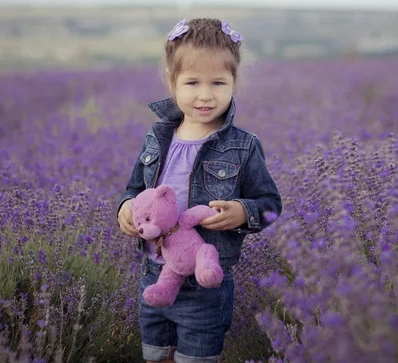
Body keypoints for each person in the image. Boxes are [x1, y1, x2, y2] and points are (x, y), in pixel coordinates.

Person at [116, 18, 282, 363]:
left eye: (218, 83)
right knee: (154, 353)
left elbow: (269, 204)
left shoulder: (243, 146)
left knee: (197, 357)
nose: (205, 95)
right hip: (153, 274)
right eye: (192, 82)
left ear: (234, 83)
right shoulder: (157, 137)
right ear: (170, 80)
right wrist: (126, 207)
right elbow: (135, 187)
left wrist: (242, 212)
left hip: (205, 283)